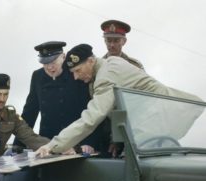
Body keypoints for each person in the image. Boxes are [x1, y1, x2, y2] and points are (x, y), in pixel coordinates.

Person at [35, 44, 202, 157]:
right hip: (149, 125)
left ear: (91, 61)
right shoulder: (110, 63)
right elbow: (121, 107)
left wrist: (53, 145)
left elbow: (91, 118)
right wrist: (115, 139)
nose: (76, 77)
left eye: (78, 70)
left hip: (156, 123)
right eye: (72, 73)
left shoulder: (105, 76)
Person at [13, 41, 103, 154]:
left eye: (53, 61)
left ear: (63, 57)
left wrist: (90, 143)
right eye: (45, 63)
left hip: (77, 143)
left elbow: (92, 112)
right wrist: (18, 145)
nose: (50, 67)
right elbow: (30, 111)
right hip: (46, 142)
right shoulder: (37, 76)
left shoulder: (77, 73)